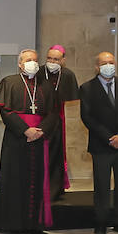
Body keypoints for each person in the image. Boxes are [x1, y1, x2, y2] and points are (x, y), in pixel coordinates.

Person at [0, 49, 58, 234]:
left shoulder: (46, 84)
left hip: (39, 138)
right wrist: (25, 130)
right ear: (20, 64)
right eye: (28, 60)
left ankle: (34, 225)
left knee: (38, 181)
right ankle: (14, 225)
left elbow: (53, 113)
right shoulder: (9, 82)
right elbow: (6, 111)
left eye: (35, 60)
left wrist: (41, 130)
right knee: (15, 181)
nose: (32, 63)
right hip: (17, 137)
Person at [78, 51, 118, 234]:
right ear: (97, 67)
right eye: (104, 63)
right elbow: (87, 117)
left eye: (111, 62)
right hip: (101, 145)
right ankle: (101, 222)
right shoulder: (87, 88)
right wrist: (109, 137)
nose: (108, 66)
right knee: (102, 186)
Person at [35, 44, 79, 200]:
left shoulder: (67, 75)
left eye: (56, 59)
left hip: (58, 120)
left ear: (63, 60)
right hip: (39, 119)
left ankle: (54, 188)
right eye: (49, 58)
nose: (52, 61)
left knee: (56, 153)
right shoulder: (39, 72)